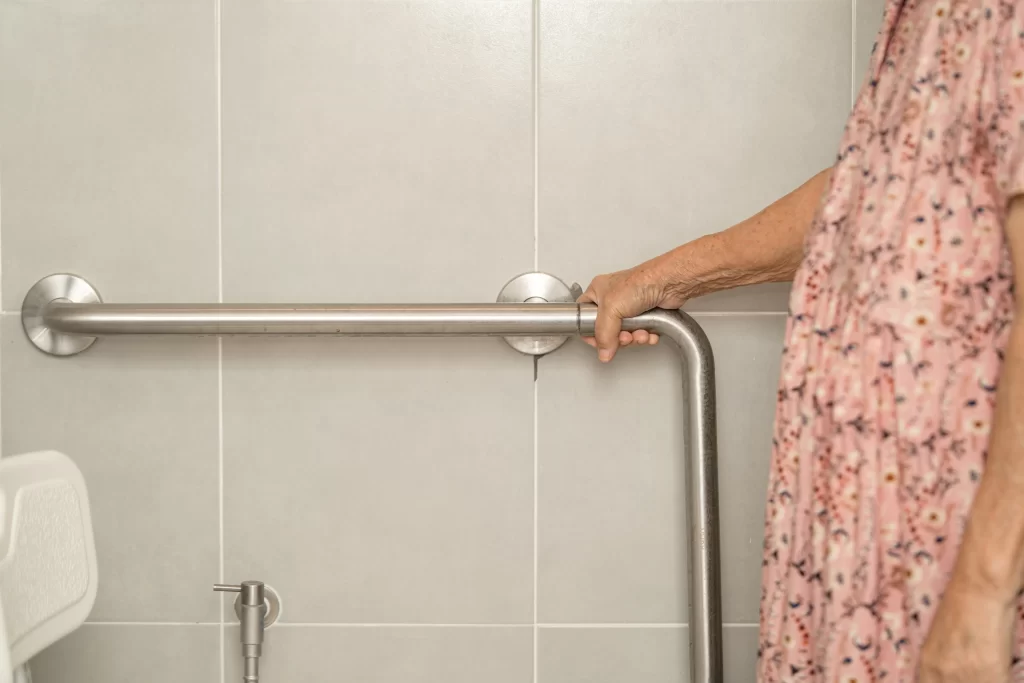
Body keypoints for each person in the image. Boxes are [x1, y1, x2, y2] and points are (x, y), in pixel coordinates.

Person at [579, 2, 1024, 681]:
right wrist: (662, 278)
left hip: (961, 538)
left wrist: (985, 591)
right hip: (872, 534)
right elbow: (872, 194)